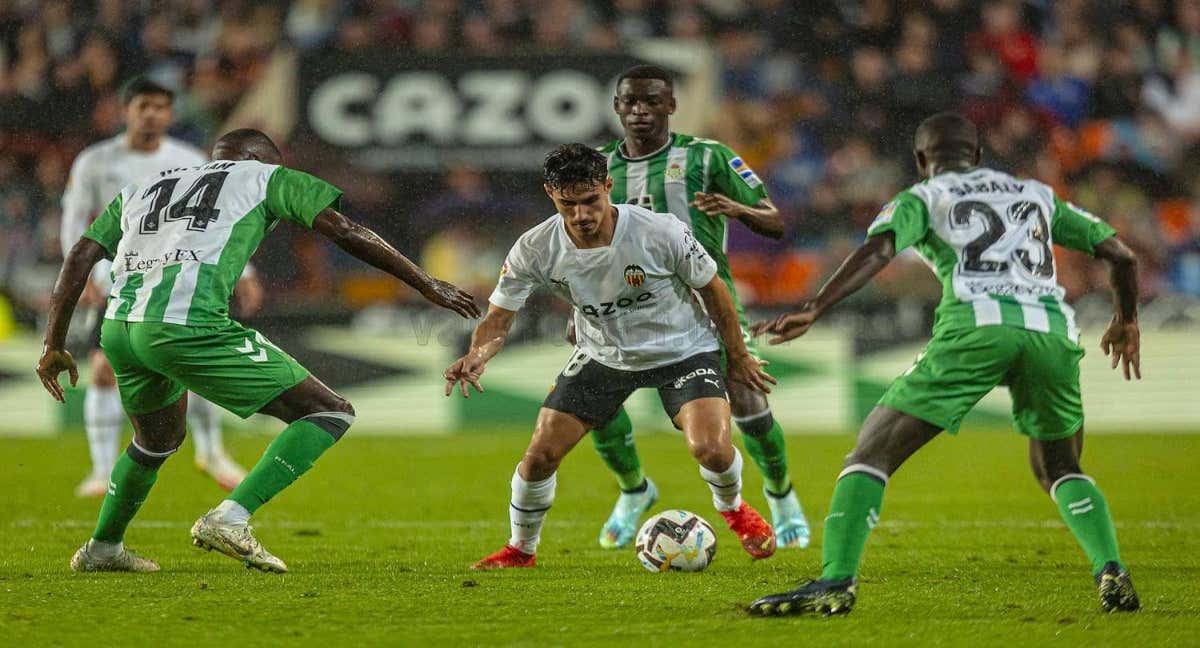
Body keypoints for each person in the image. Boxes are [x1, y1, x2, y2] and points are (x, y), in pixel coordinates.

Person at [747, 112, 1142, 616]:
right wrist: (1126, 320)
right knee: (1061, 466)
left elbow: (879, 248)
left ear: (920, 160)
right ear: (976, 155)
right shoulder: (1036, 194)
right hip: (1052, 333)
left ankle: (835, 582)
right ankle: (1111, 570)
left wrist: (815, 306)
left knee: (868, 455)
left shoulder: (924, 196)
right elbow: (1122, 255)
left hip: (976, 328)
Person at [38, 128, 480, 574]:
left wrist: (54, 342)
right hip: (186, 326)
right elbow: (344, 230)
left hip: (121, 328)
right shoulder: (264, 177)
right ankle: (229, 518)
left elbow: (80, 252)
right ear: (264, 159)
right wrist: (427, 283)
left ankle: (102, 549)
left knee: (156, 441)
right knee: (328, 412)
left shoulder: (147, 187)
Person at [445, 144, 778, 569]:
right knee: (539, 456)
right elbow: (498, 317)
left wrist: (740, 355)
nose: (582, 215)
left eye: (590, 201)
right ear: (551, 193)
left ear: (608, 186)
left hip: (683, 349)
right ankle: (520, 550)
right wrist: (479, 353)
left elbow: (716, 291)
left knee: (710, 448)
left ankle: (733, 510)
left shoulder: (660, 231)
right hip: (604, 355)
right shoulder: (534, 247)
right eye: (569, 204)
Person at [585, 64, 810, 550]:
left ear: (671, 105)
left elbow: (774, 222)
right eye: (631, 102)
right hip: (622, 310)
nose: (640, 111)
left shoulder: (708, 157)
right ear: (617, 107)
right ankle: (633, 491)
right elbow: (577, 241)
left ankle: (782, 495)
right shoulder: (597, 166)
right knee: (593, 404)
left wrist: (738, 209)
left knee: (750, 404)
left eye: (651, 101)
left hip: (706, 305)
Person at [61, 77, 257, 495]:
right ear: (125, 110)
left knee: (198, 366)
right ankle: (100, 470)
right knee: (103, 371)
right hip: (119, 276)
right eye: (143, 106)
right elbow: (75, 223)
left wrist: (247, 271)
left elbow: (217, 216)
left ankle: (212, 452)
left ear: (170, 114)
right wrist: (82, 276)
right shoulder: (94, 161)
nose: (152, 114)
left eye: (160, 107)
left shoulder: (187, 158)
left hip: (181, 278)